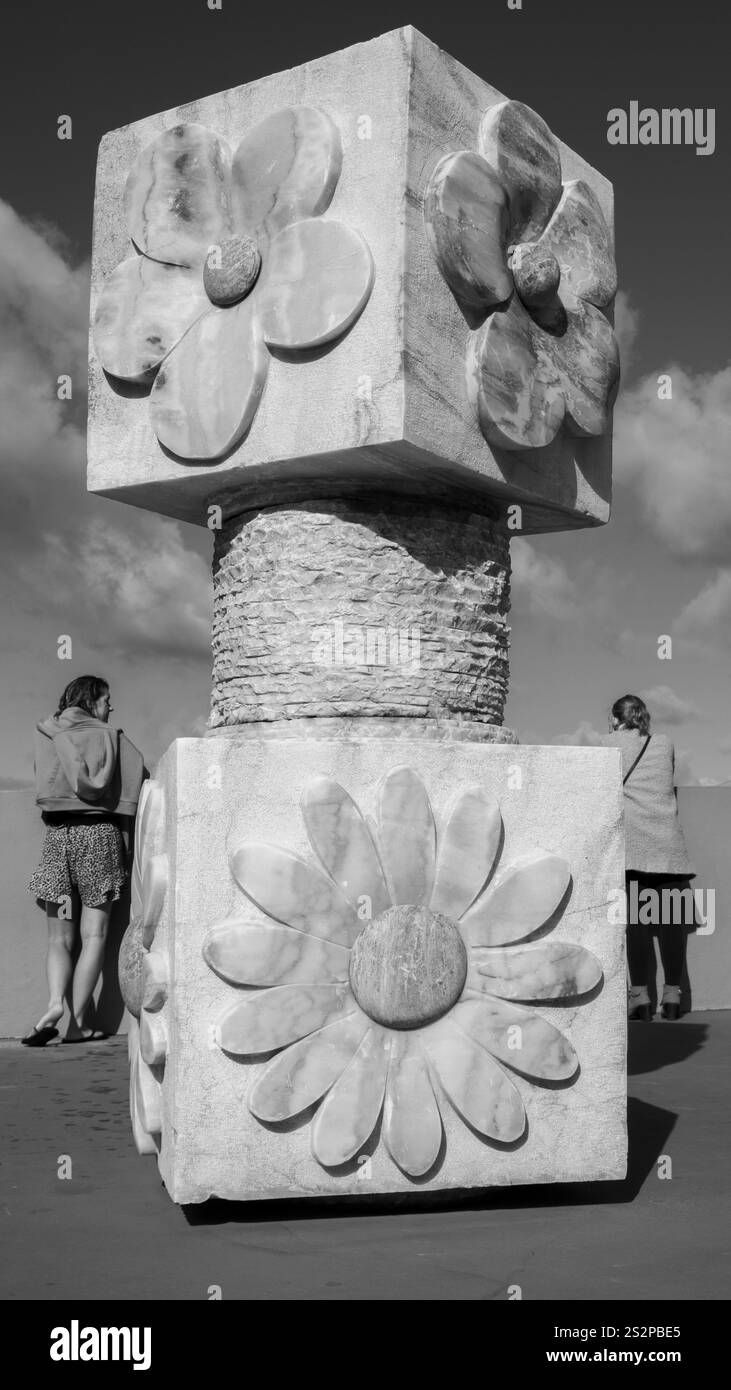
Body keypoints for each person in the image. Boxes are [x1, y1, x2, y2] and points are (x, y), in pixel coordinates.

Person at [23, 675, 145, 1046]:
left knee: (60, 937)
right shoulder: (114, 737)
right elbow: (137, 776)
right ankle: (78, 1024)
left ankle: (54, 1003)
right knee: (94, 935)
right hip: (99, 839)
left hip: (59, 841)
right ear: (93, 700)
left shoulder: (46, 733)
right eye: (107, 700)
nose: (110, 708)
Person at [601, 694, 695, 1022]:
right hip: (668, 847)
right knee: (672, 922)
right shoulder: (664, 743)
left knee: (638, 924)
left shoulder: (607, 746)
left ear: (615, 719)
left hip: (635, 848)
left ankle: (639, 998)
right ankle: (672, 997)